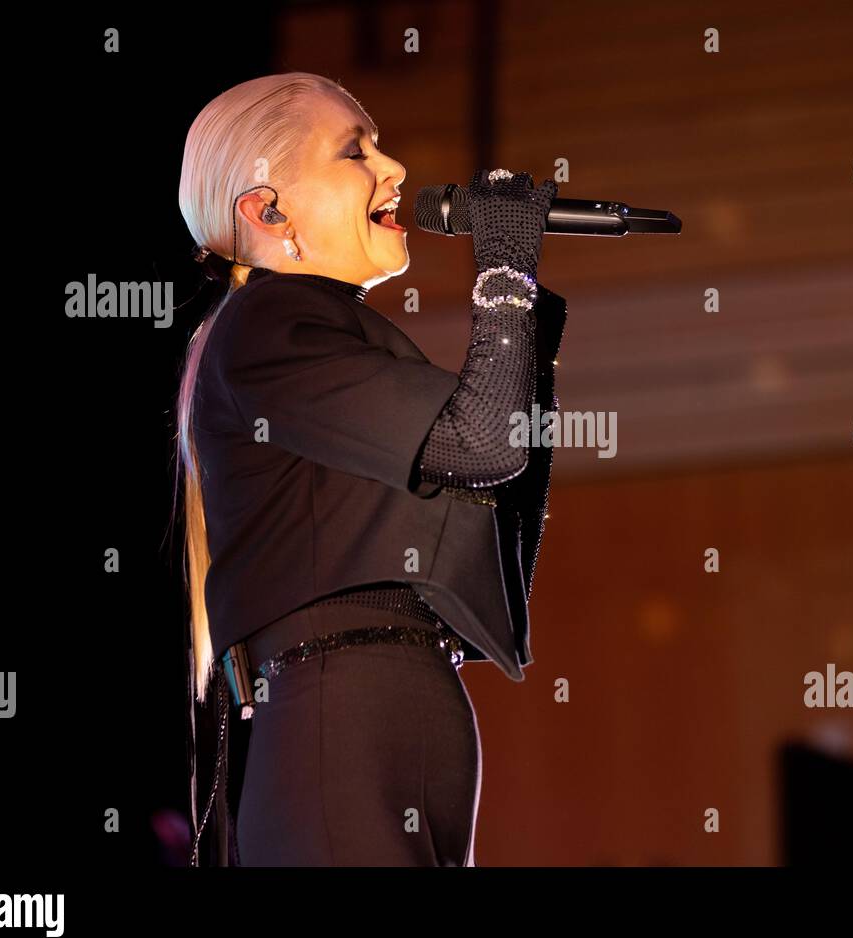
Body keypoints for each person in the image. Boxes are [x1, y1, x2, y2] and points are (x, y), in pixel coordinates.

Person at [173, 72, 566, 866]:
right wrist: (503, 276)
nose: (393, 170)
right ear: (266, 210)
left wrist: (518, 301)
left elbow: (499, 483)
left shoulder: (323, 336)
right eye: (357, 151)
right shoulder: (271, 320)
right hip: (342, 703)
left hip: (383, 698)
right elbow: (483, 443)